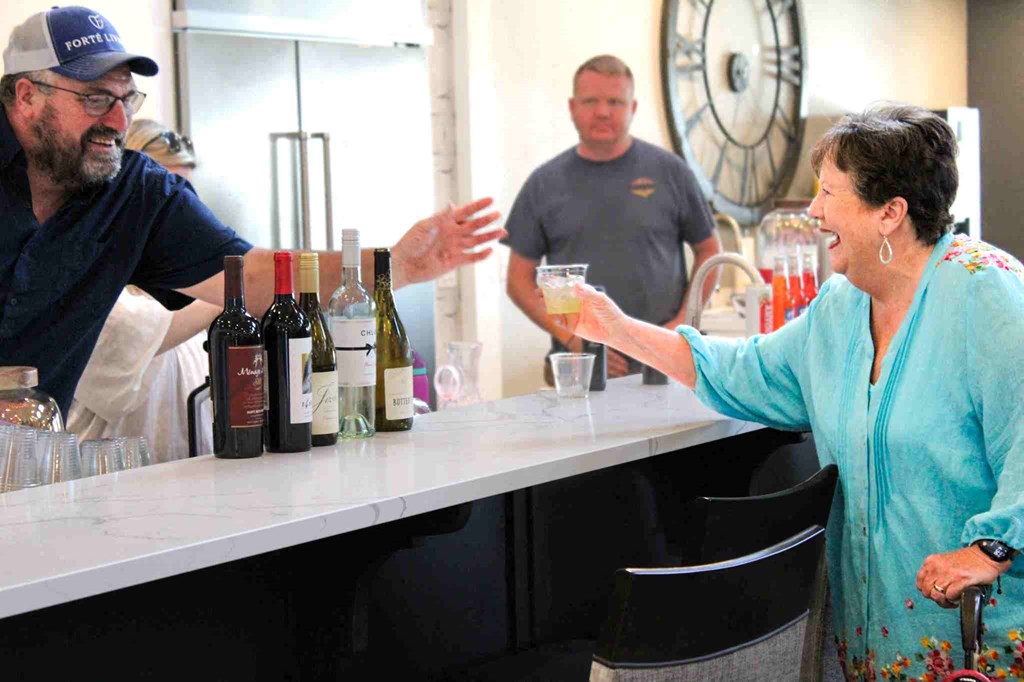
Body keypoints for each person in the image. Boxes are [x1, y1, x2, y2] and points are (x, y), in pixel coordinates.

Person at [560, 105, 1023, 680]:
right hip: (870, 640)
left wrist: (991, 550)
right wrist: (619, 329)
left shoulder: (988, 293)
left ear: (891, 213)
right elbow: (744, 372)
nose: (813, 211)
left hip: (978, 640)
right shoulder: (841, 306)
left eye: (830, 193)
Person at [0, 6, 502, 422]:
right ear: (27, 97)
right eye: (95, 99)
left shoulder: (135, 193)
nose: (117, 120)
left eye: (126, 99)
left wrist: (395, 266)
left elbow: (253, 276)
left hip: (29, 462)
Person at [502, 54, 720, 381]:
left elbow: (710, 251)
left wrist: (679, 328)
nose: (603, 111)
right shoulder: (543, 184)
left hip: (665, 361)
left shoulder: (670, 171)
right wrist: (575, 340)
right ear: (572, 107)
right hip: (580, 365)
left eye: (615, 101)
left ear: (632, 108)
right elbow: (518, 281)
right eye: (591, 101)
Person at [67, 119, 216, 460]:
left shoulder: (183, 289)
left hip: (189, 483)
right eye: (164, 196)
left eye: (185, 195)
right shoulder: (88, 284)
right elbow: (150, 328)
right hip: (109, 492)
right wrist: (242, 284)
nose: (179, 213)